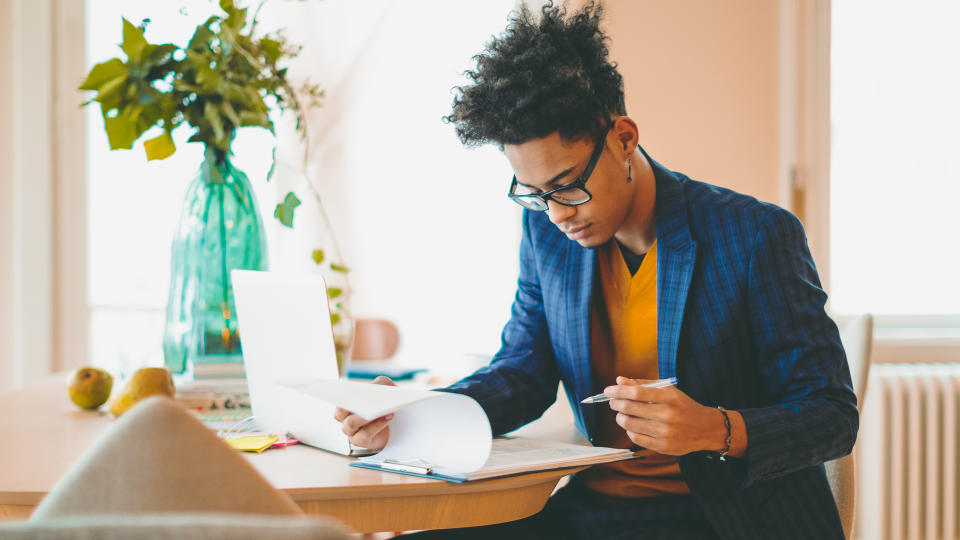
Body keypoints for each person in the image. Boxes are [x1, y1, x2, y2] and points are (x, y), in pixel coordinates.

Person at [334, 3, 858, 539]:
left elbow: (832, 414)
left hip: (726, 519)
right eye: (534, 195)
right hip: (598, 509)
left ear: (624, 138)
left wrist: (713, 428)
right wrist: (412, 413)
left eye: (566, 185)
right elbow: (522, 374)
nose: (558, 212)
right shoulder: (545, 235)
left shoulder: (754, 234)